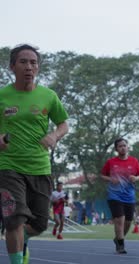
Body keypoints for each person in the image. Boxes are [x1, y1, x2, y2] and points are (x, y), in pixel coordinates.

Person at [0, 44, 69, 264]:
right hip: (8, 166)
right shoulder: (2, 96)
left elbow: (63, 124)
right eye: (23, 62)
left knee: (40, 224)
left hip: (39, 168)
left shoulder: (48, 96)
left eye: (33, 63)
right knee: (13, 220)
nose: (29, 67)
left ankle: (24, 239)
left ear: (38, 68)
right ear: (12, 66)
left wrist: (54, 136)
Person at [101, 138, 139, 254]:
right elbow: (103, 175)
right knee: (120, 220)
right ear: (116, 149)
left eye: (124, 145)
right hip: (115, 196)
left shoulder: (134, 161)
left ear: (128, 147)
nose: (123, 148)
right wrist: (111, 179)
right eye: (120, 146)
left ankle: (118, 238)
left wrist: (135, 178)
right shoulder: (111, 162)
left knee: (128, 222)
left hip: (129, 196)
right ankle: (121, 245)